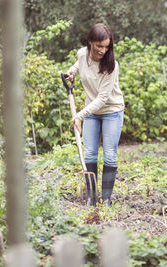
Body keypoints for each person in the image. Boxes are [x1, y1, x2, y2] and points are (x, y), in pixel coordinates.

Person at [66, 23, 124, 207]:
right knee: (90, 153)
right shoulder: (82, 53)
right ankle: (91, 197)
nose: (102, 50)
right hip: (91, 112)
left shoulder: (111, 65)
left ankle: (106, 199)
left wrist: (80, 115)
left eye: (106, 47)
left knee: (109, 156)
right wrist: (71, 72)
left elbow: (103, 98)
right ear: (90, 42)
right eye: (99, 46)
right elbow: (79, 64)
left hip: (111, 111)